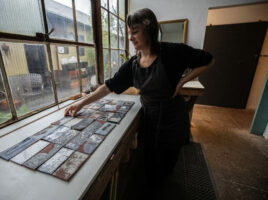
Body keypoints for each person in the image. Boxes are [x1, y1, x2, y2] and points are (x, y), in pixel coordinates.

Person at [65, 8, 214, 198]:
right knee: (150, 166)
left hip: (173, 123)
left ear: (149, 29)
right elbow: (108, 86)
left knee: (167, 169)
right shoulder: (133, 64)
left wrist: (183, 81)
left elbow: (208, 60)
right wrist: (80, 104)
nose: (130, 37)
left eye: (135, 32)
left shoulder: (172, 52)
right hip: (150, 122)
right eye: (129, 33)